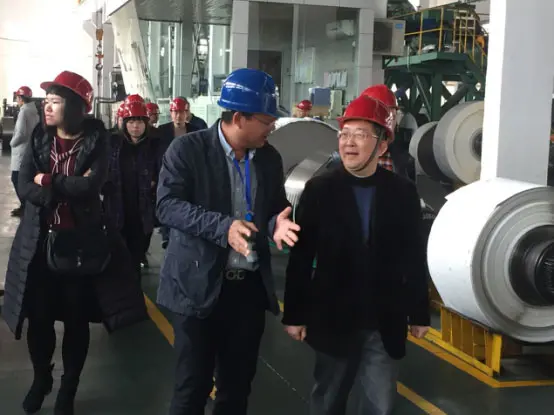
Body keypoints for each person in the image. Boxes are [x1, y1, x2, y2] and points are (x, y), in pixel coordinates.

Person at [1, 70, 148, 415]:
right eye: (47, 101)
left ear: (75, 106)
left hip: (81, 246)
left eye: (54, 102)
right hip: (39, 243)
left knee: (75, 319)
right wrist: (61, 186)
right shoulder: (40, 137)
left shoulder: (98, 141)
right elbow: (24, 186)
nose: (46, 107)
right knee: (38, 319)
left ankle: (68, 387)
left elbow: (91, 187)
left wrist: (48, 180)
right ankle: (41, 378)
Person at [156, 67, 300, 415]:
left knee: (236, 390)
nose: (272, 128)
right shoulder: (187, 150)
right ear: (238, 118)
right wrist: (223, 227)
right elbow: (167, 206)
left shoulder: (268, 157)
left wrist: (276, 224)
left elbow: (272, 208)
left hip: (246, 292)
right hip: (196, 288)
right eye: (266, 121)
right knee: (192, 388)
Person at [282, 93, 430, 415]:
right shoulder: (320, 189)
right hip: (333, 315)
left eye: (360, 135)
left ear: (382, 145)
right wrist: (294, 314)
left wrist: (419, 312)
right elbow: (302, 256)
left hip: (384, 319)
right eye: (344, 134)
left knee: (379, 405)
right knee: (328, 400)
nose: (349, 142)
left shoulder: (402, 193)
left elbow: (413, 255)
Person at [103, 99, 161, 277]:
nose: (135, 126)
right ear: (124, 124)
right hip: (117, 208)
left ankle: (134, 285)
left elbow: (163, 170)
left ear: (146, 124)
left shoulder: (154, 145)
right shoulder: (113, 144)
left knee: (136, 254)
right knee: (117, 255)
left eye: (140, 122)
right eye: (131, 122)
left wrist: (155, 181)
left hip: (142, 210)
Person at [10, 85, 40, 217]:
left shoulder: (23, 112)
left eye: (17, 97)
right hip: (30, 148)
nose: (17, 100)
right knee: (25, 179)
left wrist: (12, 143)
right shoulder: (34, 111)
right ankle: (26, 205)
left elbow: (21, 133)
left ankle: (25, 205)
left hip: (21, 149)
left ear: (21, 98)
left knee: (16, 178)